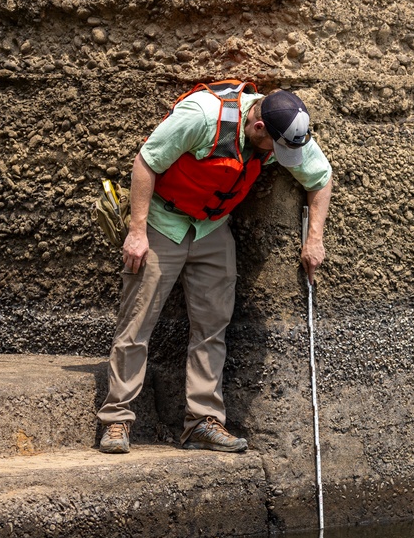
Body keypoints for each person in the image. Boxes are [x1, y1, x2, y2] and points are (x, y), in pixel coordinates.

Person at [96, 79, 333, 454]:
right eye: (276, 148)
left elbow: (320, 177)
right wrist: (137, 231)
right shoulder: (203, 116)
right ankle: (116, 420)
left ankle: (202, 423)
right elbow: (147, 161)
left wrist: (314, 238)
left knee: (212, 325)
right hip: (163, 221)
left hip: (211, 227)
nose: (280, 156)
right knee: (137, 323)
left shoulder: (287, 127)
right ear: (258, 128)